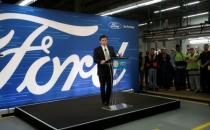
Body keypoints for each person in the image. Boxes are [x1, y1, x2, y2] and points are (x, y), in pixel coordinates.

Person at [93, 35, 116, 106]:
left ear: (107, 41)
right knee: (102, 87)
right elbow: (95, 59)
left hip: (110, 70)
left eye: (105, 40)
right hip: (102, 71)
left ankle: (108, 100)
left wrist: (118, 57)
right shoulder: (96, 49)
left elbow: (114, 57)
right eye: (103, 40)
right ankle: (104, 101)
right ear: (100, 41)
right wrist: (100, 61)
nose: (104, 41)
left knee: (109, 87)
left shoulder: (111, 48)